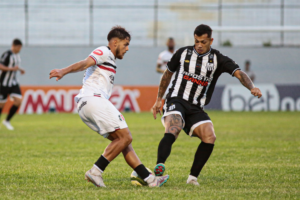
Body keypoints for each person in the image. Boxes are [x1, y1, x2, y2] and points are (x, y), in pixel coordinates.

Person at [49, 26, 169, 188]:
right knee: (125, 137)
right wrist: (63, 71)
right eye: (125, 44)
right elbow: (85, 63)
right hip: (93, 100)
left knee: (124, 142)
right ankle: (96, 171)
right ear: (114, 42)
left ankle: (150, 180)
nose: (127, 49)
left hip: (86, 105)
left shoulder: (110, 59)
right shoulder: (104, 51)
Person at [152, 24, 262, 186]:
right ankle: (159, 169)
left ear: (211, 40)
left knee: (210, 136)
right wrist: (158, 99)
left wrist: (252, 87)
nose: (199, 45)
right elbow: (167, 75)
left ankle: (192, 178)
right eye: (197, 41)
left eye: (203, 42)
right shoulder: (182, 53)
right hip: (176, 99)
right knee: (173, 127)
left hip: (196, 106)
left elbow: (239, 73)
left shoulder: (218, 59)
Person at [0, 39, 25, 130]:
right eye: (19, 47)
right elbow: (1, 66)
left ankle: (7, 121)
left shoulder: (17, 55)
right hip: (3, 83)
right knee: (1, 105)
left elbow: (15, 67)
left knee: (18, 101)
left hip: (13, 83)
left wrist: (20, 69)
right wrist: (12, 69)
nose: (19, 49)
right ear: (14, 46)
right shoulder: (7, 54)